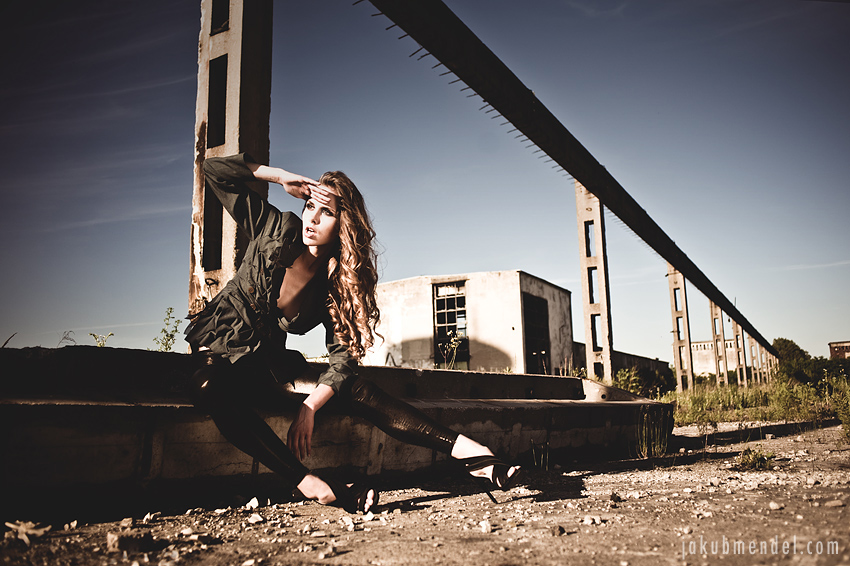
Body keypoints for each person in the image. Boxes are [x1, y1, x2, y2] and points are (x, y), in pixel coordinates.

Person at [186, 153, 519, 514]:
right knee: (208, 388)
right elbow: (214, 170)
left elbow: (342, 359)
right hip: (218, 358)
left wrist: (310, 407)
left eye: (326, 213)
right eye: (310, 206)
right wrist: (279, 176)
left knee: (357, 388)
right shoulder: (275, 227)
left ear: (343, 224)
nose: (312, 219)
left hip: (263, 368)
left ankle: (472, 454)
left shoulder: (334, 283)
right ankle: (310, 484)